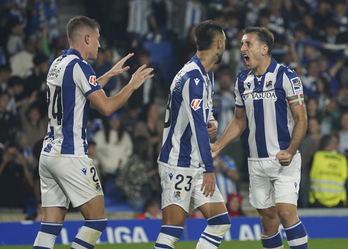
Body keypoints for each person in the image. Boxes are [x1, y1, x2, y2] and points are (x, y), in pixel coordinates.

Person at [32, 15, 154, 249]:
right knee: (97, 221)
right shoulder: (81, 66)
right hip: (70, 154)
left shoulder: (57, 64)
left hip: (48, 155)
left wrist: (107, 76)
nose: (99, 44)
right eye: (97, 39)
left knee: (50, 225)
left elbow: (74, 92)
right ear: (86, 38)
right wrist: (130, 85)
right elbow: (106, 107)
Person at [211, 27, 308, 249]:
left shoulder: (286, 75)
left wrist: (291, 151)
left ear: (264, 49)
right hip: (256, 162)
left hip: (284, 159)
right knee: (267, 219)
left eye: (248, 44)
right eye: (242, 44)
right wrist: (218, 145)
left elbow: (301, 118)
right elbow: (238, 121)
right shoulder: (242, 80)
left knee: (285, 212)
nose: (242, 48)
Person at [154, 20, 230, 249]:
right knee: (173, 227)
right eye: (224, 41)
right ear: (218, 43)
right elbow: (197, 127)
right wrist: (209, 168)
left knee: (219, 222)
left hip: (195, 161)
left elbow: (204, 116)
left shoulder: (206, 75)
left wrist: (212, 122)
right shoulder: (192, 77)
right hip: (178, 162)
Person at [309, 134, 347, 208]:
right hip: (338, 200)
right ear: (332, 144)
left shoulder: (316, 156)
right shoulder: (342, 159)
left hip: (317, 200)